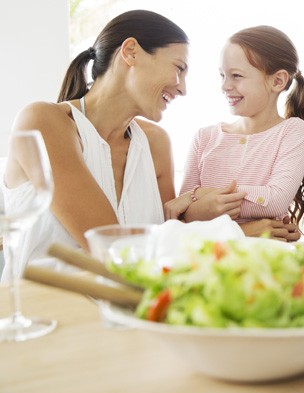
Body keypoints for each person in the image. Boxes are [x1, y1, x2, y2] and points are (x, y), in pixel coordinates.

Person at [2, 10, 188, 277]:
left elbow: (165, 243)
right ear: (131, 51)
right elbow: (110, 246)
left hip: (127, 312)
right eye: (179, 68)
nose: (183, 88)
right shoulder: (44, 121)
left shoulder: (156, 143)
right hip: (48, 313)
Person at [164, 26, 304, 242]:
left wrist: (200, 197)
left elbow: (275, 200)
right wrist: (242, 228)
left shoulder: (292, 131)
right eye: (222, 75)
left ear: (277, 81)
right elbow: (182, 217)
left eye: (236, 76)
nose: (225, 86)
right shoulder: (204, 138)